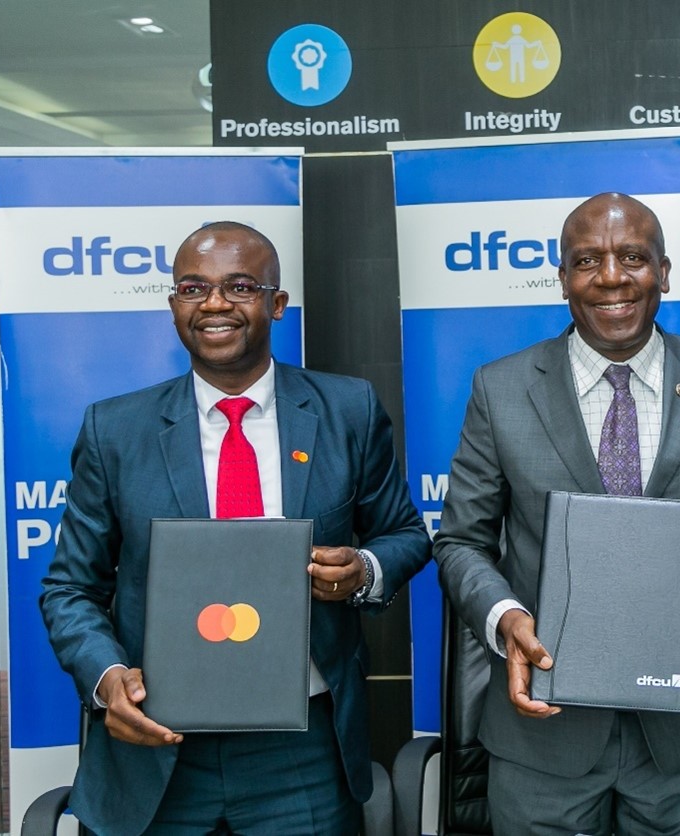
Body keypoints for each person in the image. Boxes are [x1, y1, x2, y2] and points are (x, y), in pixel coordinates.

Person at [40, 221, 432, 835]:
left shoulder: (347, 410)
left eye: (241, 286)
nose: (215, 304)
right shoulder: (114, 430)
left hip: (302, 750)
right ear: (174, 305)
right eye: (193, 288)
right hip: (156, 744)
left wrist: (363, 571)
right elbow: (70, 588)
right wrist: (107, 678)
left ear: (277, 304)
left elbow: (405, 534)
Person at [434, 193, 680, 835]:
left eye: (632, 257)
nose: (610, 277)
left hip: (678, 729)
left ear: (664, 271)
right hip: (545, 728)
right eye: (586, 261)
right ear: (562, 278)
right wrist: (506, 617)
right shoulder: (501, 388)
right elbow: (461, 542)